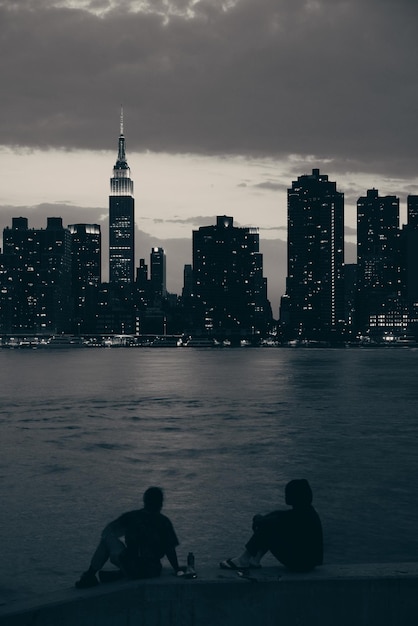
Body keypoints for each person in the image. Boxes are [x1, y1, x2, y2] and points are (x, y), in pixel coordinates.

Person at [75, 486, 181, 588]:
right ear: (160, 503)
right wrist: (177, 569)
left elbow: (107, 532)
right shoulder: (164, 522)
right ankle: (121, 573)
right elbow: (170, 550)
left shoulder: (131, 517)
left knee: (107, 540)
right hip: (152, 570)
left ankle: (90, 575)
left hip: (131, 566)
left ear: (145, 501)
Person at [220, 479, 323, 573]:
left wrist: (260, 520)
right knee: (270, 524)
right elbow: (280, 515)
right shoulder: (307, 512)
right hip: (308, 562)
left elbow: (276, 520)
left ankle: (244, 559)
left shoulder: (300, 515)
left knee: (269, 527)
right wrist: (264, 518)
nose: (285, 495)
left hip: (301, 564)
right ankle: (255, 560)